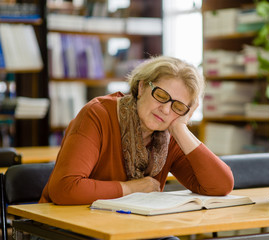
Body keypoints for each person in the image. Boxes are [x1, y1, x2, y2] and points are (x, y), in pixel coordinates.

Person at [39, 56, 234, 205]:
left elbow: (220, 186)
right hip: (70, 227)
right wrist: (130, 188)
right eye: (161, 95)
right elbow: (64, 188)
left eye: (178, 106)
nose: (166, 110)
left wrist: (179, 127)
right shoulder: (98, 115)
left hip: (132, 228)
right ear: (141, 87)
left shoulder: (169, 134)